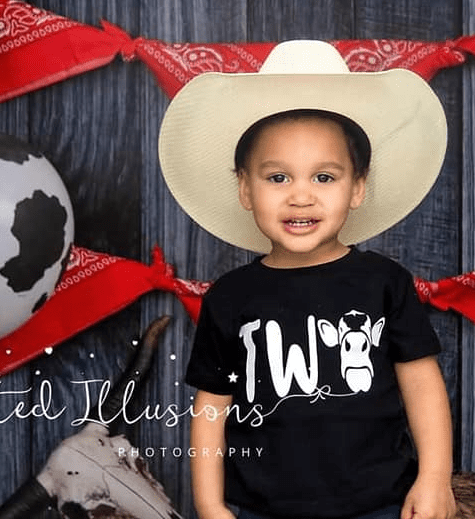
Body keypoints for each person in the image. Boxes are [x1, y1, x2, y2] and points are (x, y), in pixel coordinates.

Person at [158, 40, 457, 519]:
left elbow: (422, 384)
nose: (301, 197)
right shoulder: (230, 298)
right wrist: (211, 504)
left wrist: (435, 477)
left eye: (324, 177)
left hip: (378, 504)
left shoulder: (384, 284)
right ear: (244, 188)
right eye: (278, 178)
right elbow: (212, 406)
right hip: (261, 507)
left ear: (358, 187)